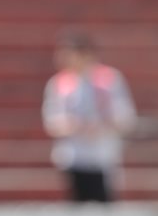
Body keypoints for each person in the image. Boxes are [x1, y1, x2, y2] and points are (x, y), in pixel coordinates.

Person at [41, 30, 136, 202]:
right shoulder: (59, 83)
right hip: (73, 156)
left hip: (102, 155)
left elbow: (125, 116)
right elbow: (52, 121)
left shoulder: (109, 79)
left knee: (103, 205)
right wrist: (74, 126)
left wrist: (102, 124)